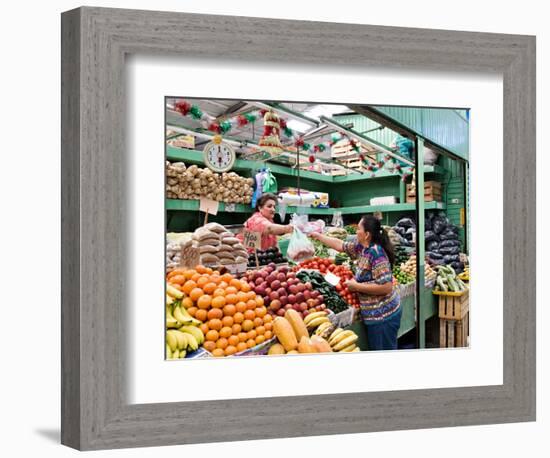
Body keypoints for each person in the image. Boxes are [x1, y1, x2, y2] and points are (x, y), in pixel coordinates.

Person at [309, 215, 401, 350]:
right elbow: (340, 245)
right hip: (373, 315)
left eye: (358, 228)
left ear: (367, 234)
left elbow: (386, 287)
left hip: (383, 316)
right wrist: (319, 236)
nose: (356, 231)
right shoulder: (361, 247)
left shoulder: (377, 254)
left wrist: (356, 286)